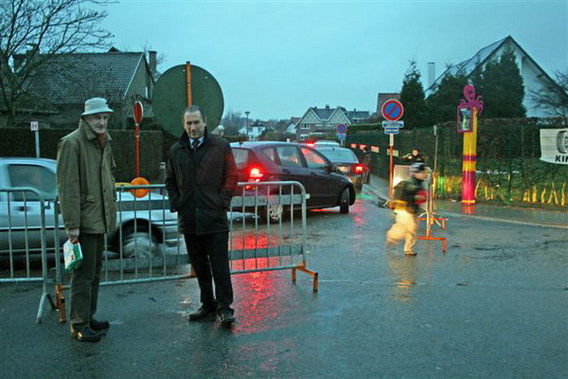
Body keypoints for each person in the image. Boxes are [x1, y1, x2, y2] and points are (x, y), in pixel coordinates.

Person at [165, 105, 238, 326]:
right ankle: (208, 304)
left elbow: (232, 176)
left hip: (214, 218)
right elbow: (170, 180)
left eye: (196, 122)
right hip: (190, 219)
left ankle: (225, 308)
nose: (193, 127)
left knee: (220, 266)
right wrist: (177, 203)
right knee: (200, 266)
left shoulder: (220, 146)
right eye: (189, 123)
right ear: (183, 124)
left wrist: (221, 202)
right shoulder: (176, 150)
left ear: (204, 122)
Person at [56, 97, 117, 342]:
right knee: (83, 275)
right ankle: (79, 323)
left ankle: (88, 317)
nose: (102, 122)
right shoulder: (72, 143)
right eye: (96, 118)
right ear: (85, 119)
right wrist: (72, 224)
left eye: (104, 117)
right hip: (85, 219)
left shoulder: (103, 142)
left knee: (94, 272)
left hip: (98, 217)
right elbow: (68, 186)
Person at [386, 161, 428, 256]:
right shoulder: (411, 184)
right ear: (416, 173)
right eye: (422, 172)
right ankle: (393, 237)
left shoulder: (418, 183)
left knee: (410, 229)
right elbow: (404, 197)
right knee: (409, 229)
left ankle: (407, 248)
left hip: (410, 210)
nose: (424, 174)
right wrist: (415, 198)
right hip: (405, 210)